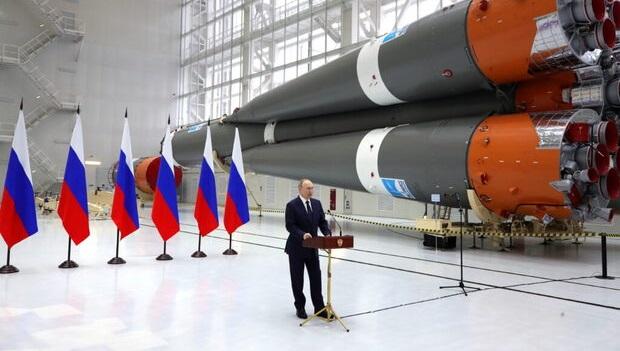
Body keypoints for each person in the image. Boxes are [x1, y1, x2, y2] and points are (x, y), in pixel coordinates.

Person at [285, 178, 332, 319]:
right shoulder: (292, 205)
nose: (311, 191)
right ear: (300, 189)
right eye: (308, 188)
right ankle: (300, 307)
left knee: (316, 278)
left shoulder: (317, 204)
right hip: (297, 248)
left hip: (313, 248)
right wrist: (302, 234)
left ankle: (319, 308)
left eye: (312, 188)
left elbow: (322, 222)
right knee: (297, 280)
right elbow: (290, 226)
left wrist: (327, 233)